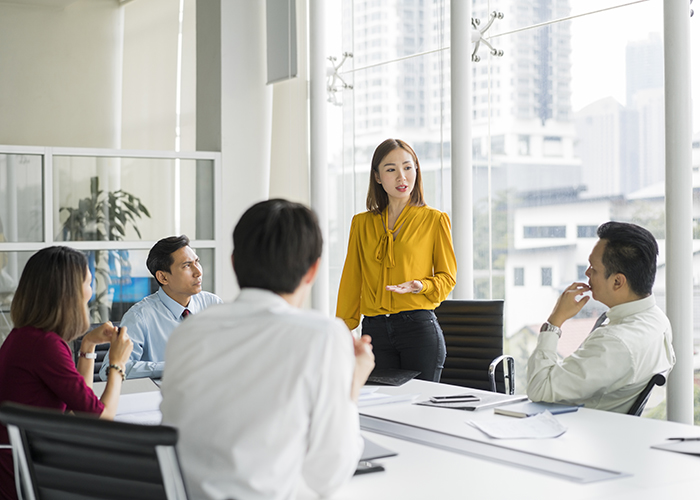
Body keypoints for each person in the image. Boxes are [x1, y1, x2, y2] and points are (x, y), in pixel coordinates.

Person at [160, 199, 374, 500]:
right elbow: (328, 476)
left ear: (234, 263)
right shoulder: (323, 335)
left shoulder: (190, 330)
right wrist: (352, 385)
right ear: (313, 270)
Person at [0, 246, 133, 500]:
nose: (91, 289)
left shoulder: (28, 337)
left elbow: (78, 413)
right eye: (88, 281)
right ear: (70, 293)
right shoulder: (44, 345)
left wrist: (88, 346)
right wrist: (117, 364)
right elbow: (101, 420)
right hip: (24, 473)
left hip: (23, 464)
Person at [336, 138, 457, 382]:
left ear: (416, 170)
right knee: (380, 411)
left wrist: (420, 285)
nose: (402, 177)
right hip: (374, 331)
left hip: (418, 329)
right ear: (378, 177)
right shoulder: (362, 224)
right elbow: (351, 278)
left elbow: (447, 278)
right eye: (391, 170)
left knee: (420, 412)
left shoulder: (435, 220)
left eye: (407, 167)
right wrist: (342, 327)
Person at [527, 221, 676, 413]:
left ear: (617, 281)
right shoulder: (657, 320)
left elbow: (539, 388)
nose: (587, 273)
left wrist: (555, 322)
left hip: (576, 431)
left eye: (593, 268)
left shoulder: (615, 343)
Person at [99, 235, 222, 380]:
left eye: (197, 262)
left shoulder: (212, 304)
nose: (198, 272)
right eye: (187, 265)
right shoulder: (140, 317)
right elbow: (107, 371)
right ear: (163, 277)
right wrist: (172, 367)